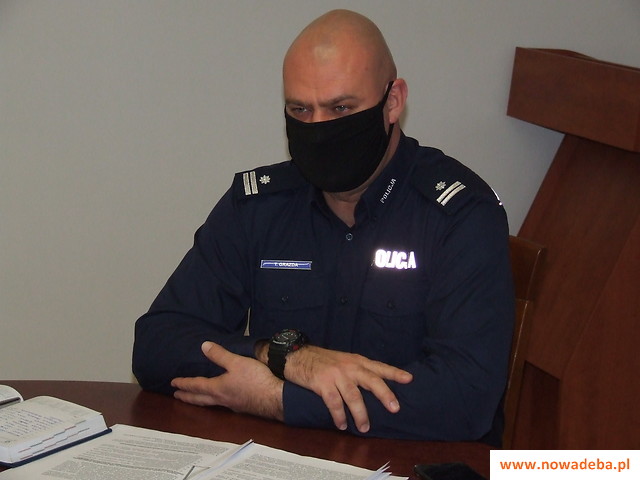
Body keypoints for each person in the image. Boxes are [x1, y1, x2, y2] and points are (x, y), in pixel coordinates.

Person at [132, 9, 514, 445]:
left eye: (341, 108)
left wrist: (278, 398)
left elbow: (467, 397)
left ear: (393, 101)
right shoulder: (259, 207)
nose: (318, 129)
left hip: (410, 460)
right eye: (300, 109)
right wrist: (281, 356)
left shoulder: (460, 214)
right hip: (283, 461)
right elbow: (156, 345)